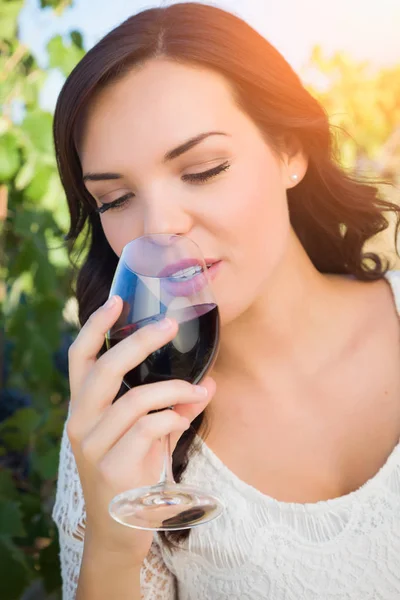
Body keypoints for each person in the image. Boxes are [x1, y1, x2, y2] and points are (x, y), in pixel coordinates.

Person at [51, 3, 400, 599]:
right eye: (115, 199)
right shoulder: (118, 433)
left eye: (204, 169)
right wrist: (114, 540)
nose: (159, 227)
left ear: (290, 151)